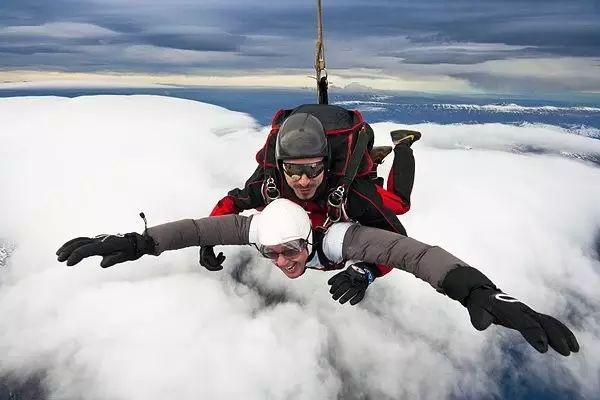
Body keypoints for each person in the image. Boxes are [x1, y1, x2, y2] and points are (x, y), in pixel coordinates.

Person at [56, 199, 579, 357]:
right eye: (271, 253)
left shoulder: (340, 240)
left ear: (311, 241)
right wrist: (136, 243)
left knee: (397, 204)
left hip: (354, 234)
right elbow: (197, 227)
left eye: (291, 252)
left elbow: (413, 252)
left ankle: (401, 151)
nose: (284, 263)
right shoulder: (257, 228)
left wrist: (478, 290)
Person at [201, 104, 421, 292]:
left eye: (313, 169)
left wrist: (370, 271)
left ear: (326, 166)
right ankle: (368, 162)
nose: (303, 181)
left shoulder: (354, 196)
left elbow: (397, 241)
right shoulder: (270, 185)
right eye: (293, 170)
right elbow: (232, 202)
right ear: (280, 167)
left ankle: (402, 145)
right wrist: (207, 239)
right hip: (322, 223)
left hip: (347, 189)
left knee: (399, 204)